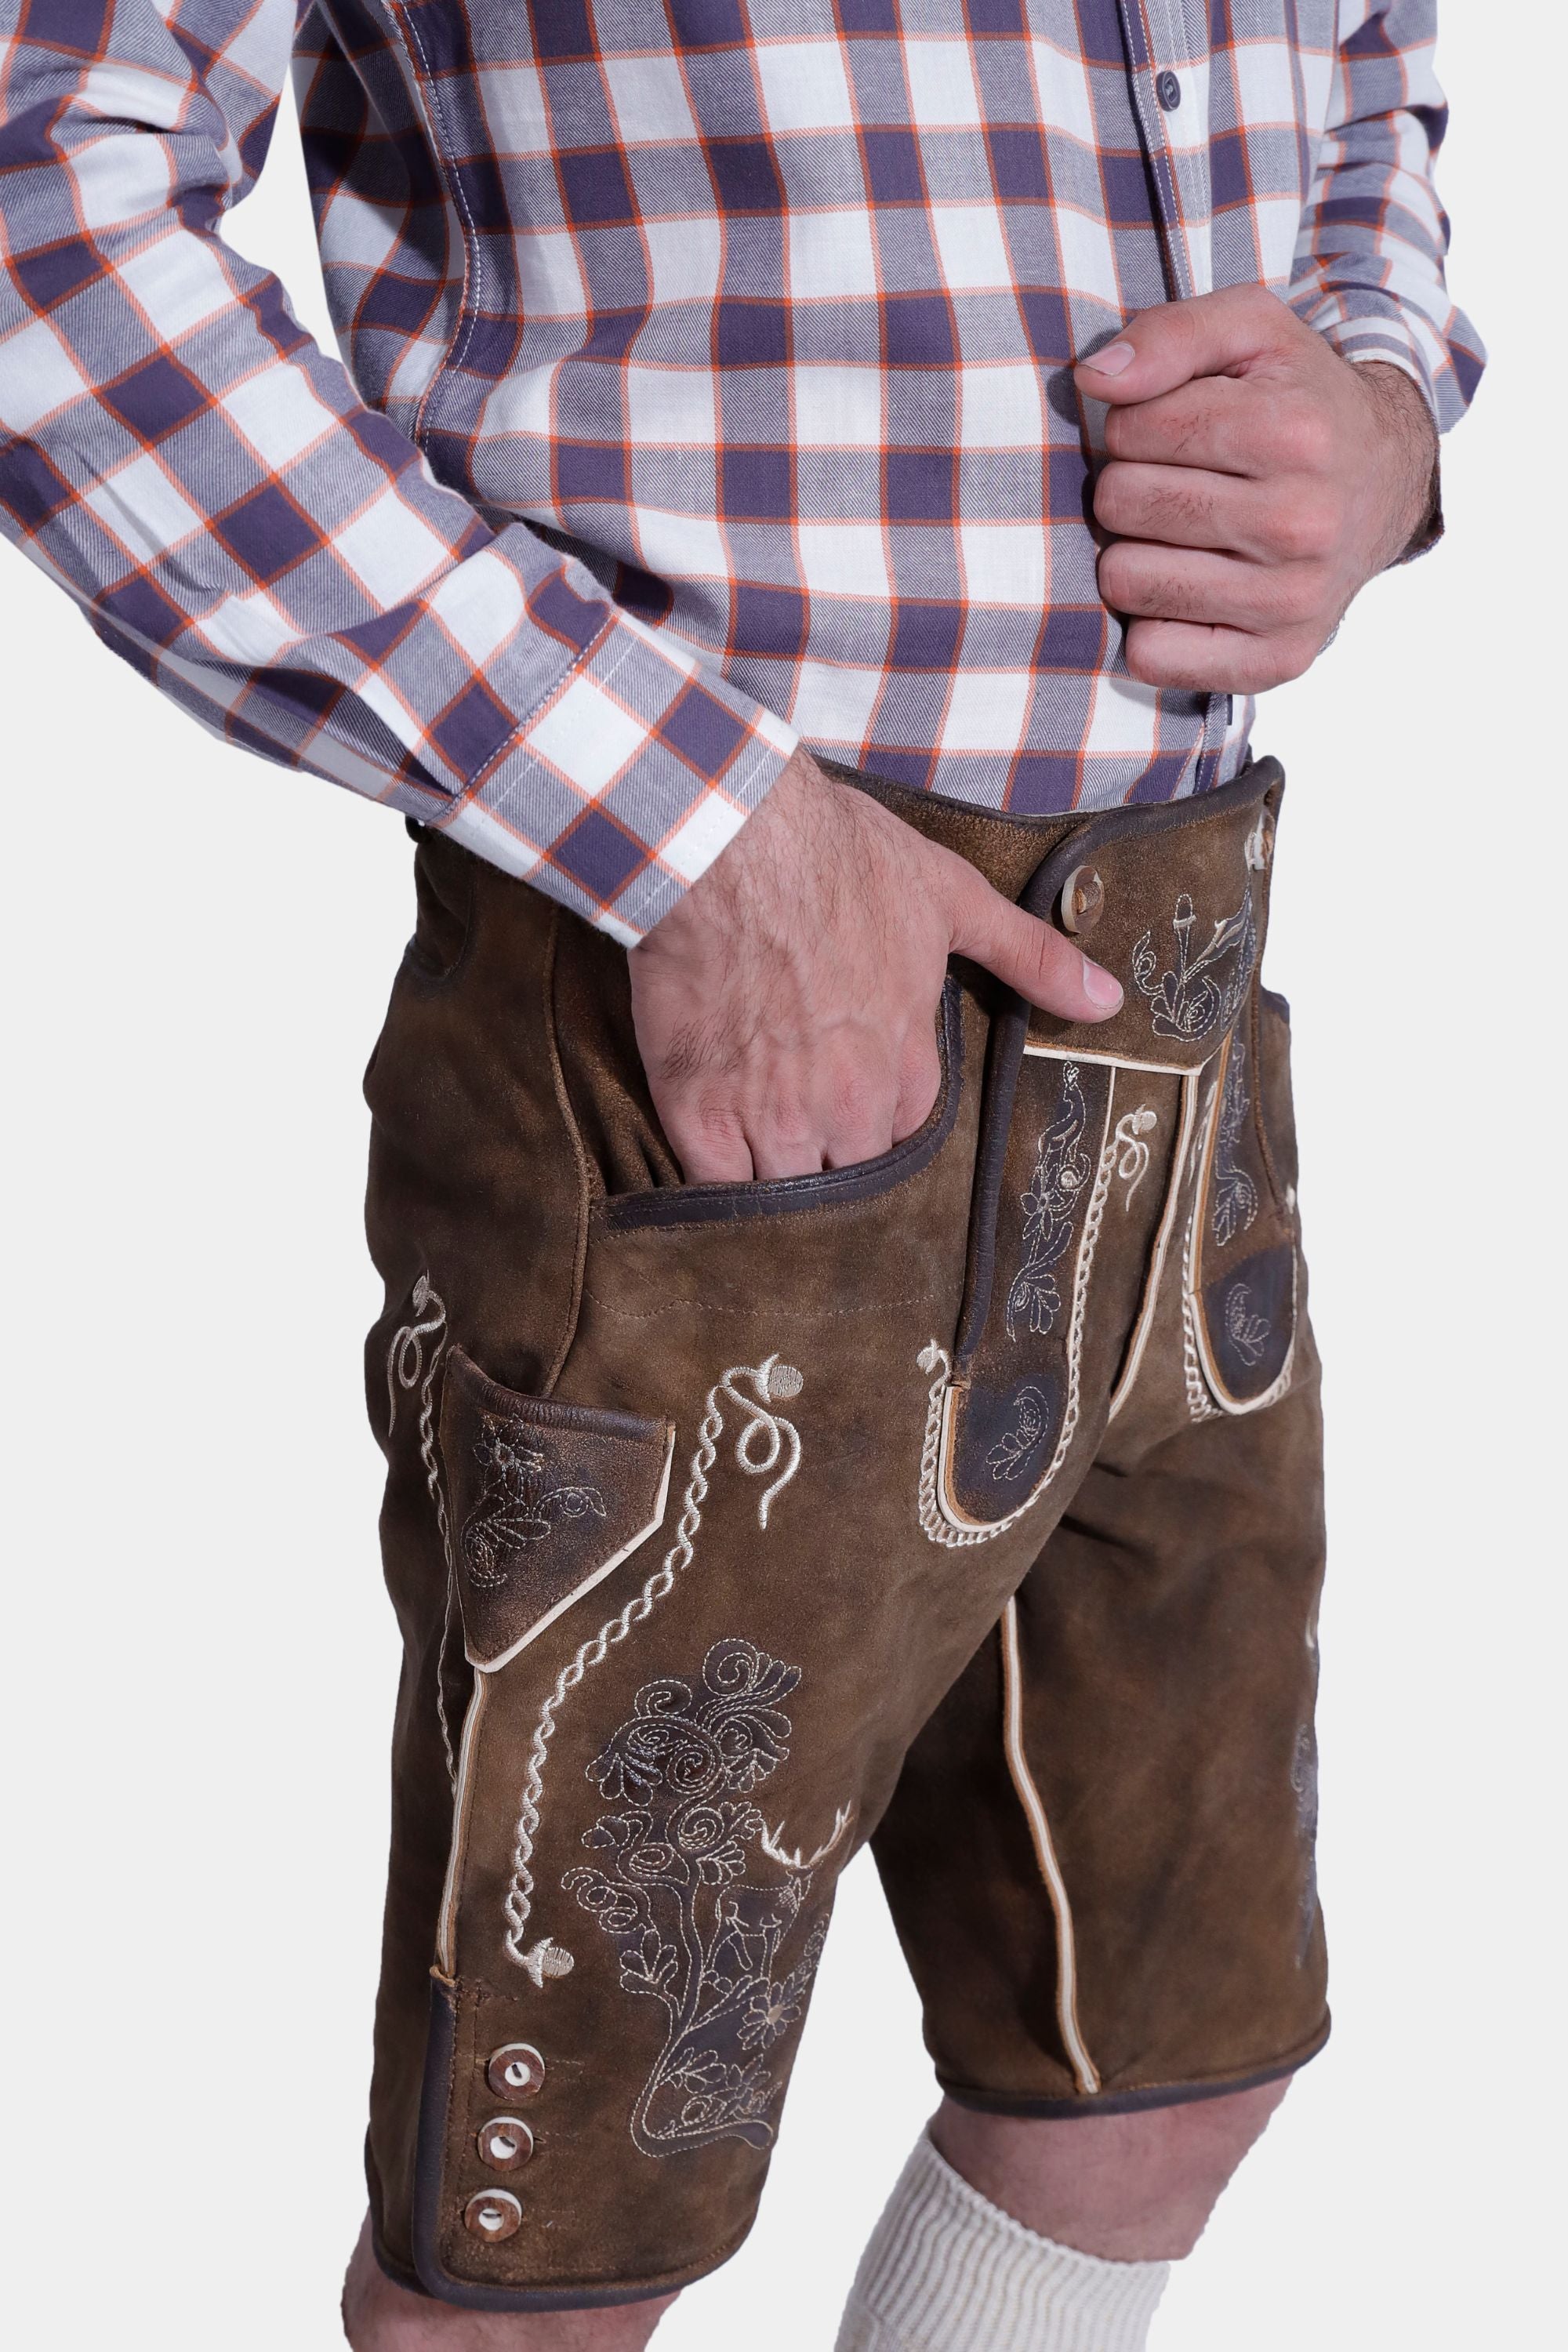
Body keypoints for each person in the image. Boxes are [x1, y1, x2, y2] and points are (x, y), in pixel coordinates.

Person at [0, 4, 1480, 2347]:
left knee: (1148, 2080)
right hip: (696, 1033)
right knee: (551, 2252)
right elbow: (37, 200)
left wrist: (1380, 403)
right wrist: (689, 834)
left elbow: (1371, 63)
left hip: (1171, 982)